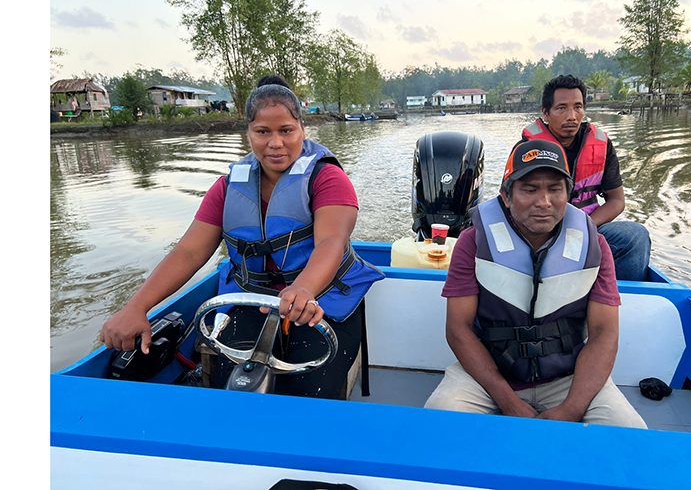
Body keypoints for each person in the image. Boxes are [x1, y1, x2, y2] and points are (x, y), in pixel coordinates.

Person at [100, 82, 384, 399]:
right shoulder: (228, 186)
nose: (276, 143)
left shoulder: (329, 178)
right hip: (255, 299)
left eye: (287, 130)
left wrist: (304, 289)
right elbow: (189, 251)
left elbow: (331, 241)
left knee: (311, 391)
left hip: (321, 301)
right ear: (247, 131)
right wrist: (136, 308)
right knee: (231, 386)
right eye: (263, 132)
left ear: (302, 128)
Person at [424, 138, 646, 428]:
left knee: (630, 433)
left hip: (569, 377)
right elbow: (458, 329)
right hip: (490, 375)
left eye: (555, 189)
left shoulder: (595, 245)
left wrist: (571, 408)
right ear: (506, 195)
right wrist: (508, 401)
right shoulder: (472, 241)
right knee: (439, 421)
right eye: (529, 189)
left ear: (568, 194)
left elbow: (604, 334)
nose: (544, 202)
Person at [521, 74, 651, 281]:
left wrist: (584, 226)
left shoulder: (601, 144)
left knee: (635, 236)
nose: (572, 116)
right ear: (546, 113)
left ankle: (615, 303)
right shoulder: (527, 149)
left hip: (588, 228)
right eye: (561, 108)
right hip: (541, 234)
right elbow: (512, 203)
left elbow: (616, 201)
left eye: (578, 107)